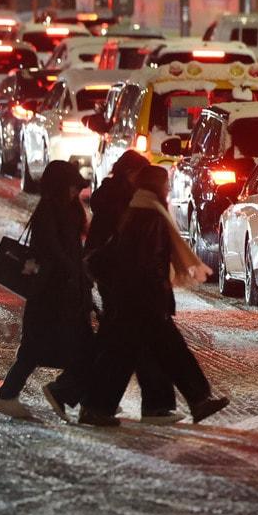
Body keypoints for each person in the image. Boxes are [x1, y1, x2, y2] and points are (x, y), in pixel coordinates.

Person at [80, 167, 229, 427]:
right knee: (151, 354)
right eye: (165, 185)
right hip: (143, 302)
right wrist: (156, 297)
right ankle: (96, 407)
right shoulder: (151, 216)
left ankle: (196, 400)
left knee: (140, 355)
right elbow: (147, 263)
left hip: (134, 300)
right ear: (156, 186)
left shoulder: (137, 210)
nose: (168, 190)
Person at [0, 160, 94, 421]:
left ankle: (80, 398)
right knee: (37, 349)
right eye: (71, 187)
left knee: (76, 348)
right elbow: (52, 250)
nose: (75, 193)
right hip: (52, 295)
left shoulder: (66, 209)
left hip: (65, 293)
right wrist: (73, 271)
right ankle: (10, 395)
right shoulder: (50, 209)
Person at [85, 150, 181, 424]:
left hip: (122, 279)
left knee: (125, 344)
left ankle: (96, 402)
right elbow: (129, 247)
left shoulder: (117, 196)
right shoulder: (125, 201)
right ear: (131, 174)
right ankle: (87, 399)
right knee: (125, 345)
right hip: (123, 281)